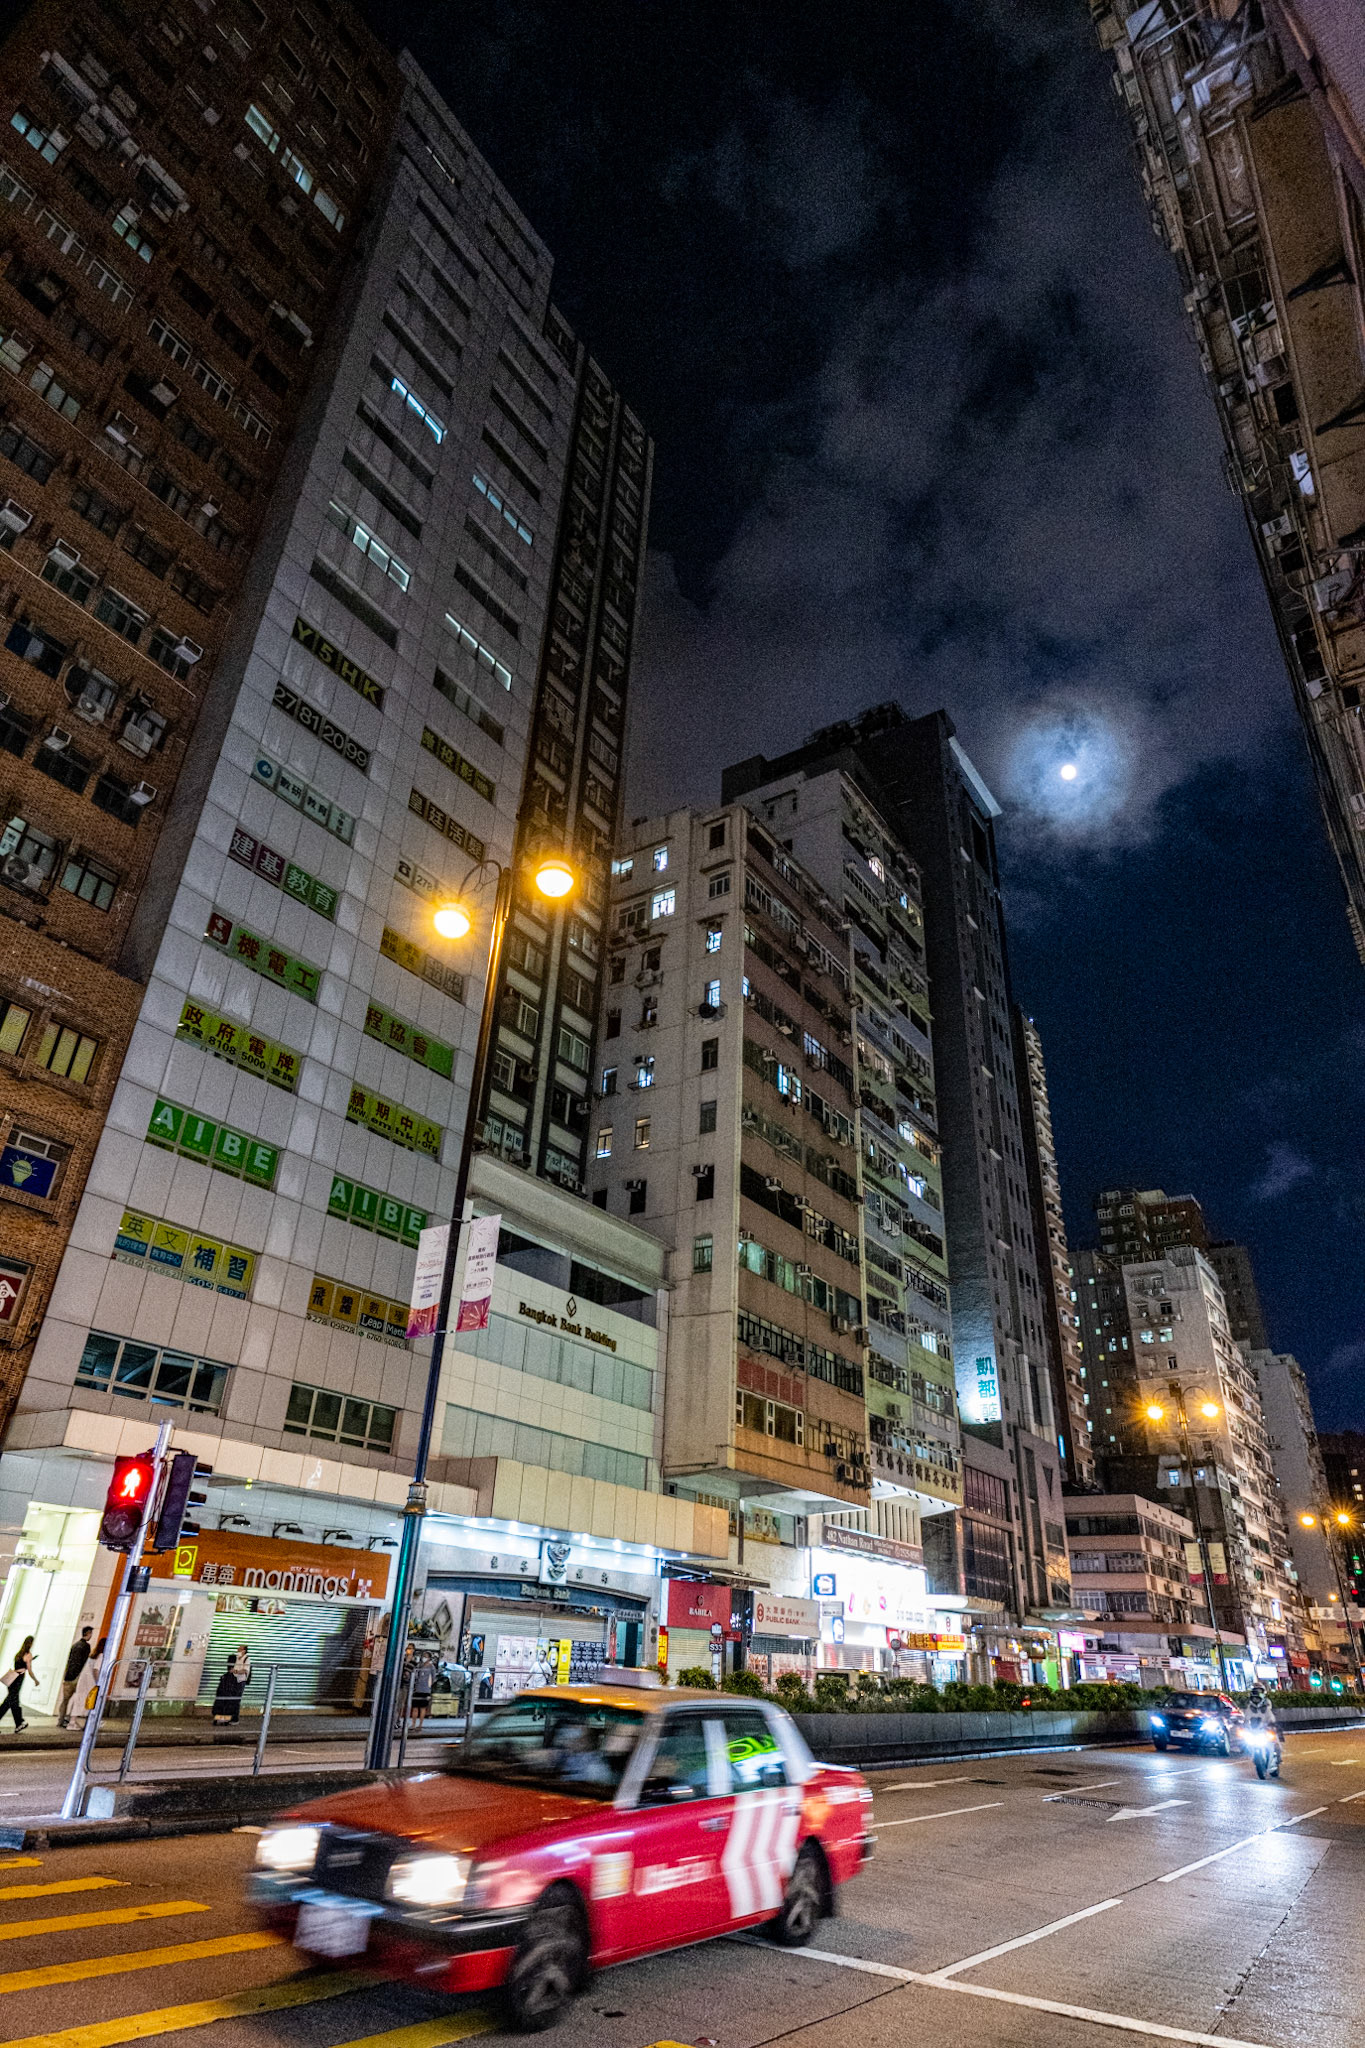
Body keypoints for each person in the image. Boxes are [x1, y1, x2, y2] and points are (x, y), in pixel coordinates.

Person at [57, 1627, 94, 1728]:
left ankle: (60, 1720)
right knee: (77, 1699)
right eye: (91, 1633)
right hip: (78, 1677)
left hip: (69, 1676)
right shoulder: (86, 1646)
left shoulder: (74, 1645)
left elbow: (69, 1661)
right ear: (88, 1633)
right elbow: (84, 1662)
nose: (91, 1636)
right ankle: (71, 1720)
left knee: (65, 1700)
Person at [1, 1636, 36, 1732]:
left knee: (13, 1702)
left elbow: (19, 1665)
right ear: (30, 1643)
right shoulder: (28, 1655)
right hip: (18, 1680)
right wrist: (35, 1680)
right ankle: (19, 1723)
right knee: (9, 1702)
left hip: (12, 1679)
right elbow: (29, 1670)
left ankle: (19, 1723)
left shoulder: (18, 1654)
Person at [212, 1644, 252, 1725]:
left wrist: (236, 1671)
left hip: (241, 1681)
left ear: (244, 1651)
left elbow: (245, 1670)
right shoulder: (236, 1658)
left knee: (236, 1700)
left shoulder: (247, 1659)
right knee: (230, 1700)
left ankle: (235, 1719)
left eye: (240, 1649)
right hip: (233, 1680)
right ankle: (228, 1718)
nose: (238, 1650)